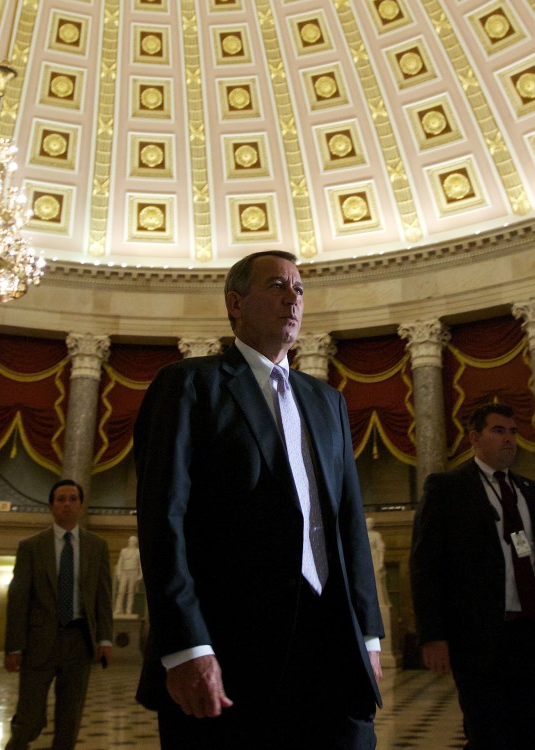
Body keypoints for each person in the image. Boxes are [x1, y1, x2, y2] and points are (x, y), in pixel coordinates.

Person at [134, 250, 384, 749]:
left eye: (299, 289)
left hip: (332, 641)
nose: (292, 299)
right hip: (230, 648)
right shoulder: (188, 385)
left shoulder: (326, 399)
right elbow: (165, 520)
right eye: (276, 286)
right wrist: (186, 645)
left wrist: (368, 633)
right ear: (235, 303)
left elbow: (348, 522)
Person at [410, 402, 535, 750]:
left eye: (513, 432)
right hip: (481, 639)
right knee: (490, 735)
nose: (510, 440)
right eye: (499, 431)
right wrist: (433, 635)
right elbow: (426, 566)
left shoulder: (534, 493)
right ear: (474, 438)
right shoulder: (447, 488)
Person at [3, 479, 113, 750]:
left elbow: (103, 597)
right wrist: (14, 645)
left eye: (73, 499)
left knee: (70, 718)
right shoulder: (31, 546)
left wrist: (105, 640)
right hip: (39, 642)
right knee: (29, 716)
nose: (67, 504)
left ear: (81, 505)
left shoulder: (96, 546)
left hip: (79, 641)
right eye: (61, 499)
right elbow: (18, 599)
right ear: (51, 506)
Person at [113, 535, 142, 616]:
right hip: (124, 572)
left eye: (132, 541)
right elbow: (120, 563)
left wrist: (140, 575)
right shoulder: (123, 551)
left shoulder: (138, 552)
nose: (130, 542)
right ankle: (118, 609)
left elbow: (140, 565)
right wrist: (118, 573)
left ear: (135, 543)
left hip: (134, 572)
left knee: (130, 592)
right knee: (121, 591)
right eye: (129, 541)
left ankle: (128, 610)